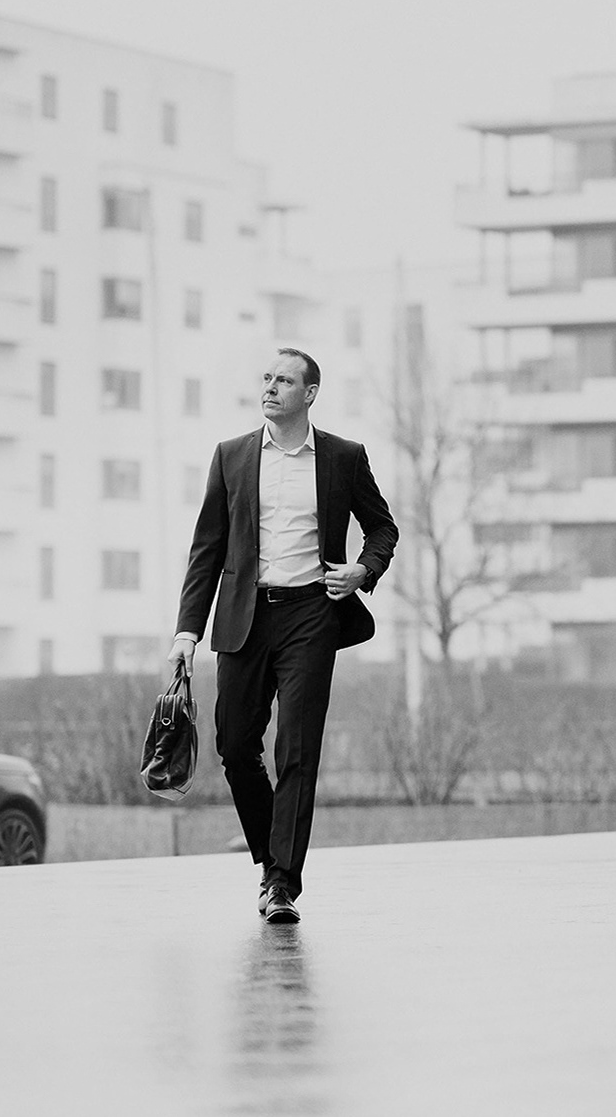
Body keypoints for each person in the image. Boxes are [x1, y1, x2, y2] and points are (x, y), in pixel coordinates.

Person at [168, 347, 397, 923]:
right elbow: (206, 549)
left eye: (285, 381)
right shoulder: (232, 456)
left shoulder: (343, 457)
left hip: (312, 617)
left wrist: (362, 570)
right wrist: (186, 632)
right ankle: (274, 855)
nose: (270, 387)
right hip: (244, 617)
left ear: (310, 394)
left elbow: (383, 528)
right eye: (267, 378)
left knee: (297, 749)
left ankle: (280, 883)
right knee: (234, 746)